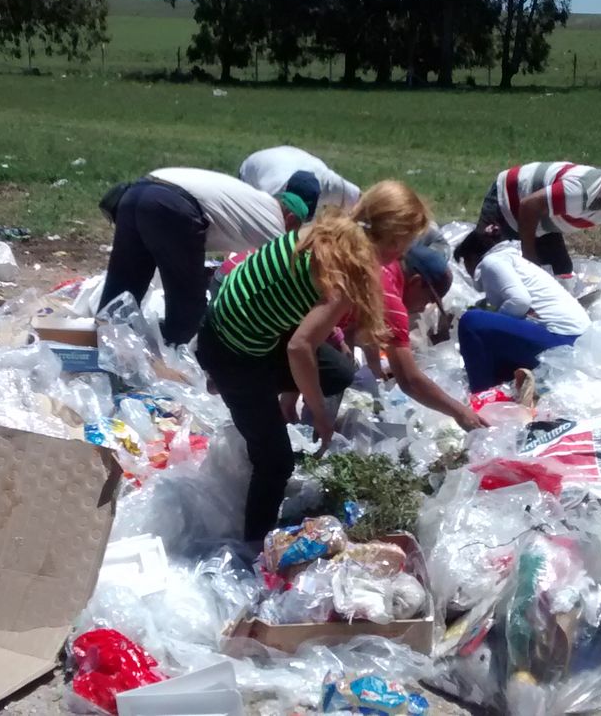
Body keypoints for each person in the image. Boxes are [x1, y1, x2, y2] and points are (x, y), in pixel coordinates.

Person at [197, 181, 429, 543]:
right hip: (234, 351)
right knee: (276, 463)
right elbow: (299, 347)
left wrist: (294, 393)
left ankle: (240, 387)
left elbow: (300, 314)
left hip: (235, 320)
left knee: (337, 371)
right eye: (407, 243)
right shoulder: (350, 270)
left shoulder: (326, 231)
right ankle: (254, 552)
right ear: (396, 240)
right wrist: (320, 415)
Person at [98, 167, 316, 346]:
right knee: (189, 304)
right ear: (289, 218)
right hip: (173, 205)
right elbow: (293, 271)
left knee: (123, 284)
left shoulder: (254, 200)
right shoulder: (275, 224)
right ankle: (169, 355)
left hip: (137, 192)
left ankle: (102, 346)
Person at [356, 232, 487, 431]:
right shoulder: (391, 299)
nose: (424, 308)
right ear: (416, 282)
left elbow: (363, 329)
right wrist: (461, 413)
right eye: (428, 299)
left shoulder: (382, 268)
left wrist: (374, 371)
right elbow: (409, 380)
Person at [476, 156, 601, 277]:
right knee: (489, 269)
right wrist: (529, 258)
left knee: (562, 272)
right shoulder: (579, 191)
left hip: (542, 219)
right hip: (508, 201)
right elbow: (529, 206)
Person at [453, 230, 591, 392]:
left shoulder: (492, 261)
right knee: (491, 335)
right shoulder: (513, 260)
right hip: (577, 342)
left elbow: (519, 301)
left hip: (562, 339)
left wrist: (494, 320)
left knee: (472, 322)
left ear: (472, 258)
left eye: (465, 264)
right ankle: (500, 392)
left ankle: (481, 395)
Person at [240, 145, 361, 211]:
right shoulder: (271, 194)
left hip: (295, 158)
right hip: (253, 170)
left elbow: (362, 201)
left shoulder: (330, 184)